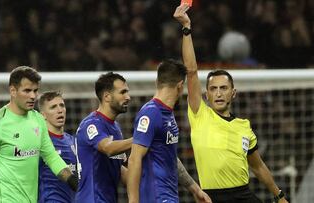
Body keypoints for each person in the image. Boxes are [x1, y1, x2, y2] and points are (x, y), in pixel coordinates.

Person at [174, 3, 289, 203]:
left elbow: (258, 167)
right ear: (207, 95)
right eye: (213, 89)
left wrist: (279, 196)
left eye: (223, 88)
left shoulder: (244, 127)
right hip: (212, 197)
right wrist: (186, 29)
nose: (218, 93)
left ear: (233, 93)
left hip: (244, 195)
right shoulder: (200, 114)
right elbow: (191, 71)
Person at [0, 66, 77, 203]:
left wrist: (73, 181)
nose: (33, 96)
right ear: (13, 91)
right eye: (27, 91)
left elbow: (51, 156)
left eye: (35, 91)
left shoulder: (38, 120)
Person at [126, 58, 211, 202]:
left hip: (169, 196)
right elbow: (134, 159)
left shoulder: (167, 113)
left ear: (157, 82)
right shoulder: (150, 113)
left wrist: (195, 189)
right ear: (180, 86)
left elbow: (170, 157)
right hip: (156, 196)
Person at [75, 72, 133, 203]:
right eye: (123, 92)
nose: (128, 97)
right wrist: (141, 138)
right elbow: (107, 148)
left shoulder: (116, 128)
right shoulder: (91, 124)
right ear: (107, 96)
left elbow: (118, 168)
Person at [37, 91, 77, 203]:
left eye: (62, 105)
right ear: (43, 115)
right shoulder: (40, 142)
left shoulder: (73, 141)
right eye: (53, 107)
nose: (59, 110)